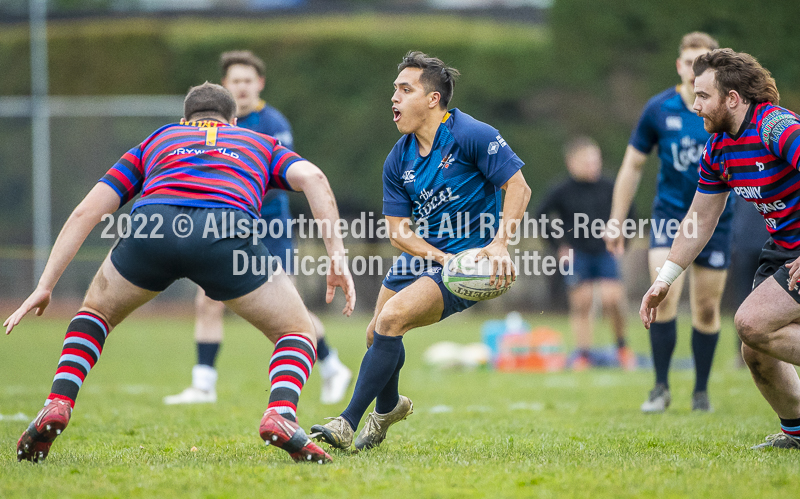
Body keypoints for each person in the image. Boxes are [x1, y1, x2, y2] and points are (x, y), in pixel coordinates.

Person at [6, 82, 356, 464]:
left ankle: (58, 402)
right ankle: (281, 413)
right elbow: (315, 180)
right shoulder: (257, 142)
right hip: (225, 229)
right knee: (296, 331)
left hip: (153, 228)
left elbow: (86, 212)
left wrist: (45, 285)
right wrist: (336, 256)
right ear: (233, 120)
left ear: (184, 120)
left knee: (95, 315)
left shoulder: (158, 140)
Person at [310, 51, 530, 451]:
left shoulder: (470, 134)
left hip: (467, 263)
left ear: (432, 99)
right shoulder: (399, 158)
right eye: (394, 89)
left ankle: (346, 422)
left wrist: (498, 244)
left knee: (389, 320)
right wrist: (437, 256)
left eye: (404, 89)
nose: (393, 98)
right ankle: (390, 407)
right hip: (430, 257)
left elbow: (519, 187)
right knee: (375, 335)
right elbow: (397, 232)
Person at [164, 51, 352, 406]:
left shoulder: (273, 123)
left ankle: (330, 364)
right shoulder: (210, 125)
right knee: (207, 300)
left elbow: (282, 176)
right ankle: (203, 384)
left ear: (260, 84)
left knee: (290, 308)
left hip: (267, 227)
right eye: (235, 82)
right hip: (225, 227)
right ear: (225, 87)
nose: (243, 87)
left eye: (248, 81)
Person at [640, 48, 800, 449]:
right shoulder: (718, 149)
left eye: (703, 97)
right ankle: (796, 434)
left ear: (733, 98)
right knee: (754, 350)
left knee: (751, 322)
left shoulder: (775, 127)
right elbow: (698, 221)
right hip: (783, 251)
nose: (695, 106)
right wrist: (665, 281)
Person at [607, 32, 733, 413]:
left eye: (703, 62)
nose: (695, 68)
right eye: (689, 61)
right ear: (679, 66)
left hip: (715, 220)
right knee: (664, 296)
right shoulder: (658, 109)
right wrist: (617, 220)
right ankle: (660, 388)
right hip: (670, 216)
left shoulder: (723, 110)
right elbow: (633, 165)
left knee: (707, 308)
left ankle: (700, 391)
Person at [538, 136, 634, 371]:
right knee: (582, 303)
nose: (593, 166)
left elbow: (629, 213)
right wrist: (559, 246)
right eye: (587, 162)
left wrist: (623, 240)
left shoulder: (611, 186)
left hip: (605, 251)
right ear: (572, 163)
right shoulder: (562, 190)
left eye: (596, 160)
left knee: (613, 299)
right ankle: (583, 354)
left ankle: (622, 347)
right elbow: (540, 216)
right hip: (577, 254)